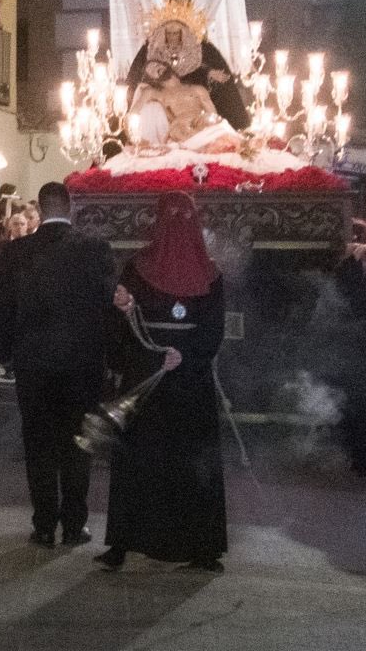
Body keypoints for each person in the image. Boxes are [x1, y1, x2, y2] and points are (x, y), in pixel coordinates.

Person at [96, 191, 222, 572]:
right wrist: (122, 309)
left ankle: (202, 549)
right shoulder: (137, 268)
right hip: (146, 376)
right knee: (137, 462)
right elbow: (119, 323)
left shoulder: (212, 274)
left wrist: (187, 355)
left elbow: (213, 330)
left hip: (189, 383)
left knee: (193, 464)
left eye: (186, 215)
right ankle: (122, 543)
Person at [0, 181, 115, 547]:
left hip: (34, 365)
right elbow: (109, 308)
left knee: (39, 446)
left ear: (41, 209)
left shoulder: (16, 252)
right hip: (82, 366)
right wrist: (108, 357)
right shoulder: (95, 250)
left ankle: (44, 524)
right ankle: (75, 525)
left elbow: (2, 309)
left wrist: (6, 355)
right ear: (71, 205)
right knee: (79, 445)